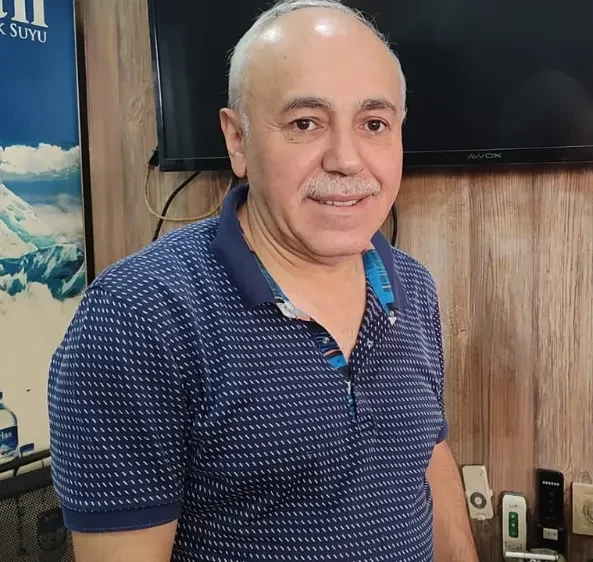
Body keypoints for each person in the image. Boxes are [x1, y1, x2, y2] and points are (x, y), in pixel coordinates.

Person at [46, 1, 478, 560]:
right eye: (305, 123)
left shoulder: (413, 288)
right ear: (238, 140)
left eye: (374, 124)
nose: (348, 160)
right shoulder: (139, 316)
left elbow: (427, 457)